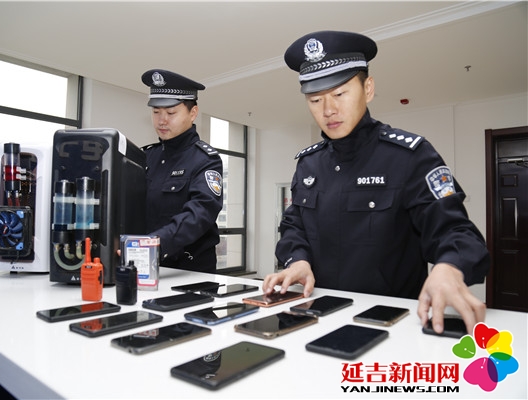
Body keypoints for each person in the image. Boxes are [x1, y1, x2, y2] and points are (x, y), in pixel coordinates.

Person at [262, 31, 490, 334]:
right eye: (315, 99)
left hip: (391, 323)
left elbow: (456, 230)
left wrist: (449, 267)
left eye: (340, 94)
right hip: (316, 314)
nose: (328, 110)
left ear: (368, 89)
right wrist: (297, 260)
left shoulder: (410, 156)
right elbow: (294, 225)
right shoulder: (309, 163)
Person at [140, 69, 223, 273]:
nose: (162, 120)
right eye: (156, 112)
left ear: (193, 113)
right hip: (143, 264)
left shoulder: (205, 160)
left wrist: (156, 244)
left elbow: (200, 214)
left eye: (171, 113)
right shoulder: (145, 157)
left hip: (190, 270)